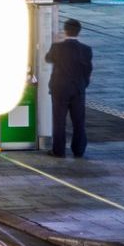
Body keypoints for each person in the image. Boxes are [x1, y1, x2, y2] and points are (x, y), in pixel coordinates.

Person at [46, 18, 94, 158]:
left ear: (65, 30)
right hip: (78, 89)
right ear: (79, 32)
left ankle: (59, 151)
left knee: (59, 120)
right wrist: (82, 85)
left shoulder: (57, 48)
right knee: (79, 121)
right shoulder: (86, 49)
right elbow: (88, 70)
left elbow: (48, 59)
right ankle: (78, 150)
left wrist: (55, 42)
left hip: (60, 88)